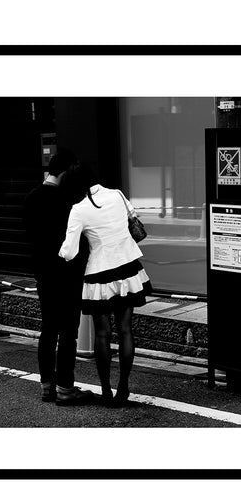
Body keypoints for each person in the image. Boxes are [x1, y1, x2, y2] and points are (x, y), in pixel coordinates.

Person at [59, 161, 152, 407]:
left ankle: (105, 390)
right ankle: (124, 386)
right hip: (129, 269)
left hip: (99, 273)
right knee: (125, 330)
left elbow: (69, 252)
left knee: (102, 333)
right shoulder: (117, 195)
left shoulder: (78, 209)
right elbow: (133, 220)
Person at [22, 149, 94, 406]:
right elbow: (76, 242)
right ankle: (65, 387)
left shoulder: (30, 198)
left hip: (43, 274)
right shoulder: (66, 201)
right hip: (67, 274)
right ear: (66, 171)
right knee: (68, 333)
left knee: (48, 329)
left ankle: (46, 386)